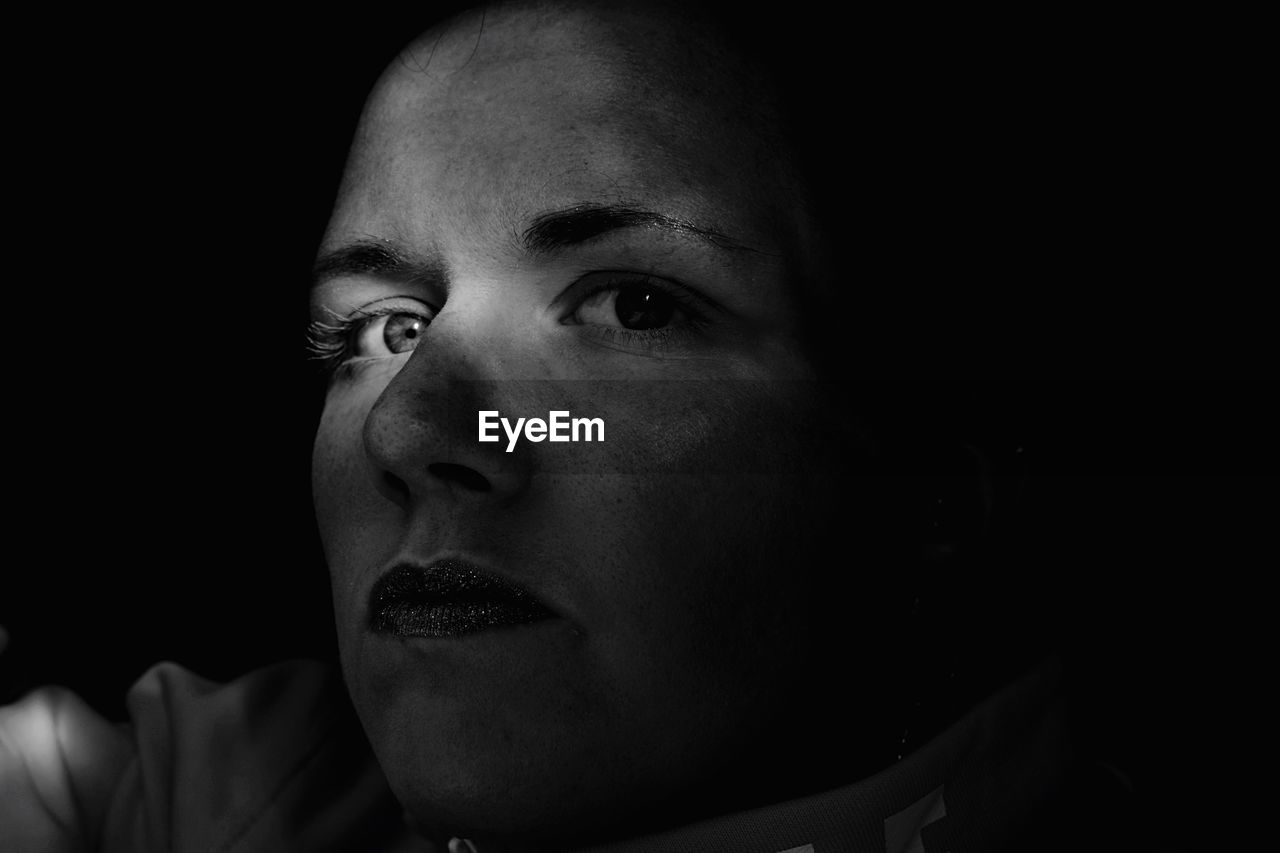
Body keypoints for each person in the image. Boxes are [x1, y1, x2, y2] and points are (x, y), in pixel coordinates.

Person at [0, 1, 1136, 850]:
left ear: (932, 492)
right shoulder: (215, 794)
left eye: (631, 306)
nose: (412, 431)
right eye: (384, 331)